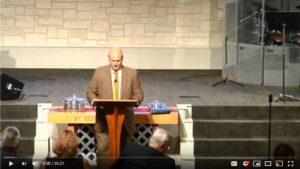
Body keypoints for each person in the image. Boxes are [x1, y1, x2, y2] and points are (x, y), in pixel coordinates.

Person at [86, 47, 144, 168]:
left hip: (125, 120)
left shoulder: (132, 73)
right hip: (103, 120)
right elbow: (91, 92)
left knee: (124, 152)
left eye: (118, 60)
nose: (116, 63)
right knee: (103, 151)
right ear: (108, 59)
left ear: (122, 59)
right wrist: (93, 101)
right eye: (113, 60)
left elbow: (139, 94)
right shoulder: (99, 72)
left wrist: (135, 102)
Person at [111, 128, 176, 169]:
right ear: (162, 146)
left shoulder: (129, 149)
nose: (167, 149)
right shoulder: (168, 162)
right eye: (168, 147)